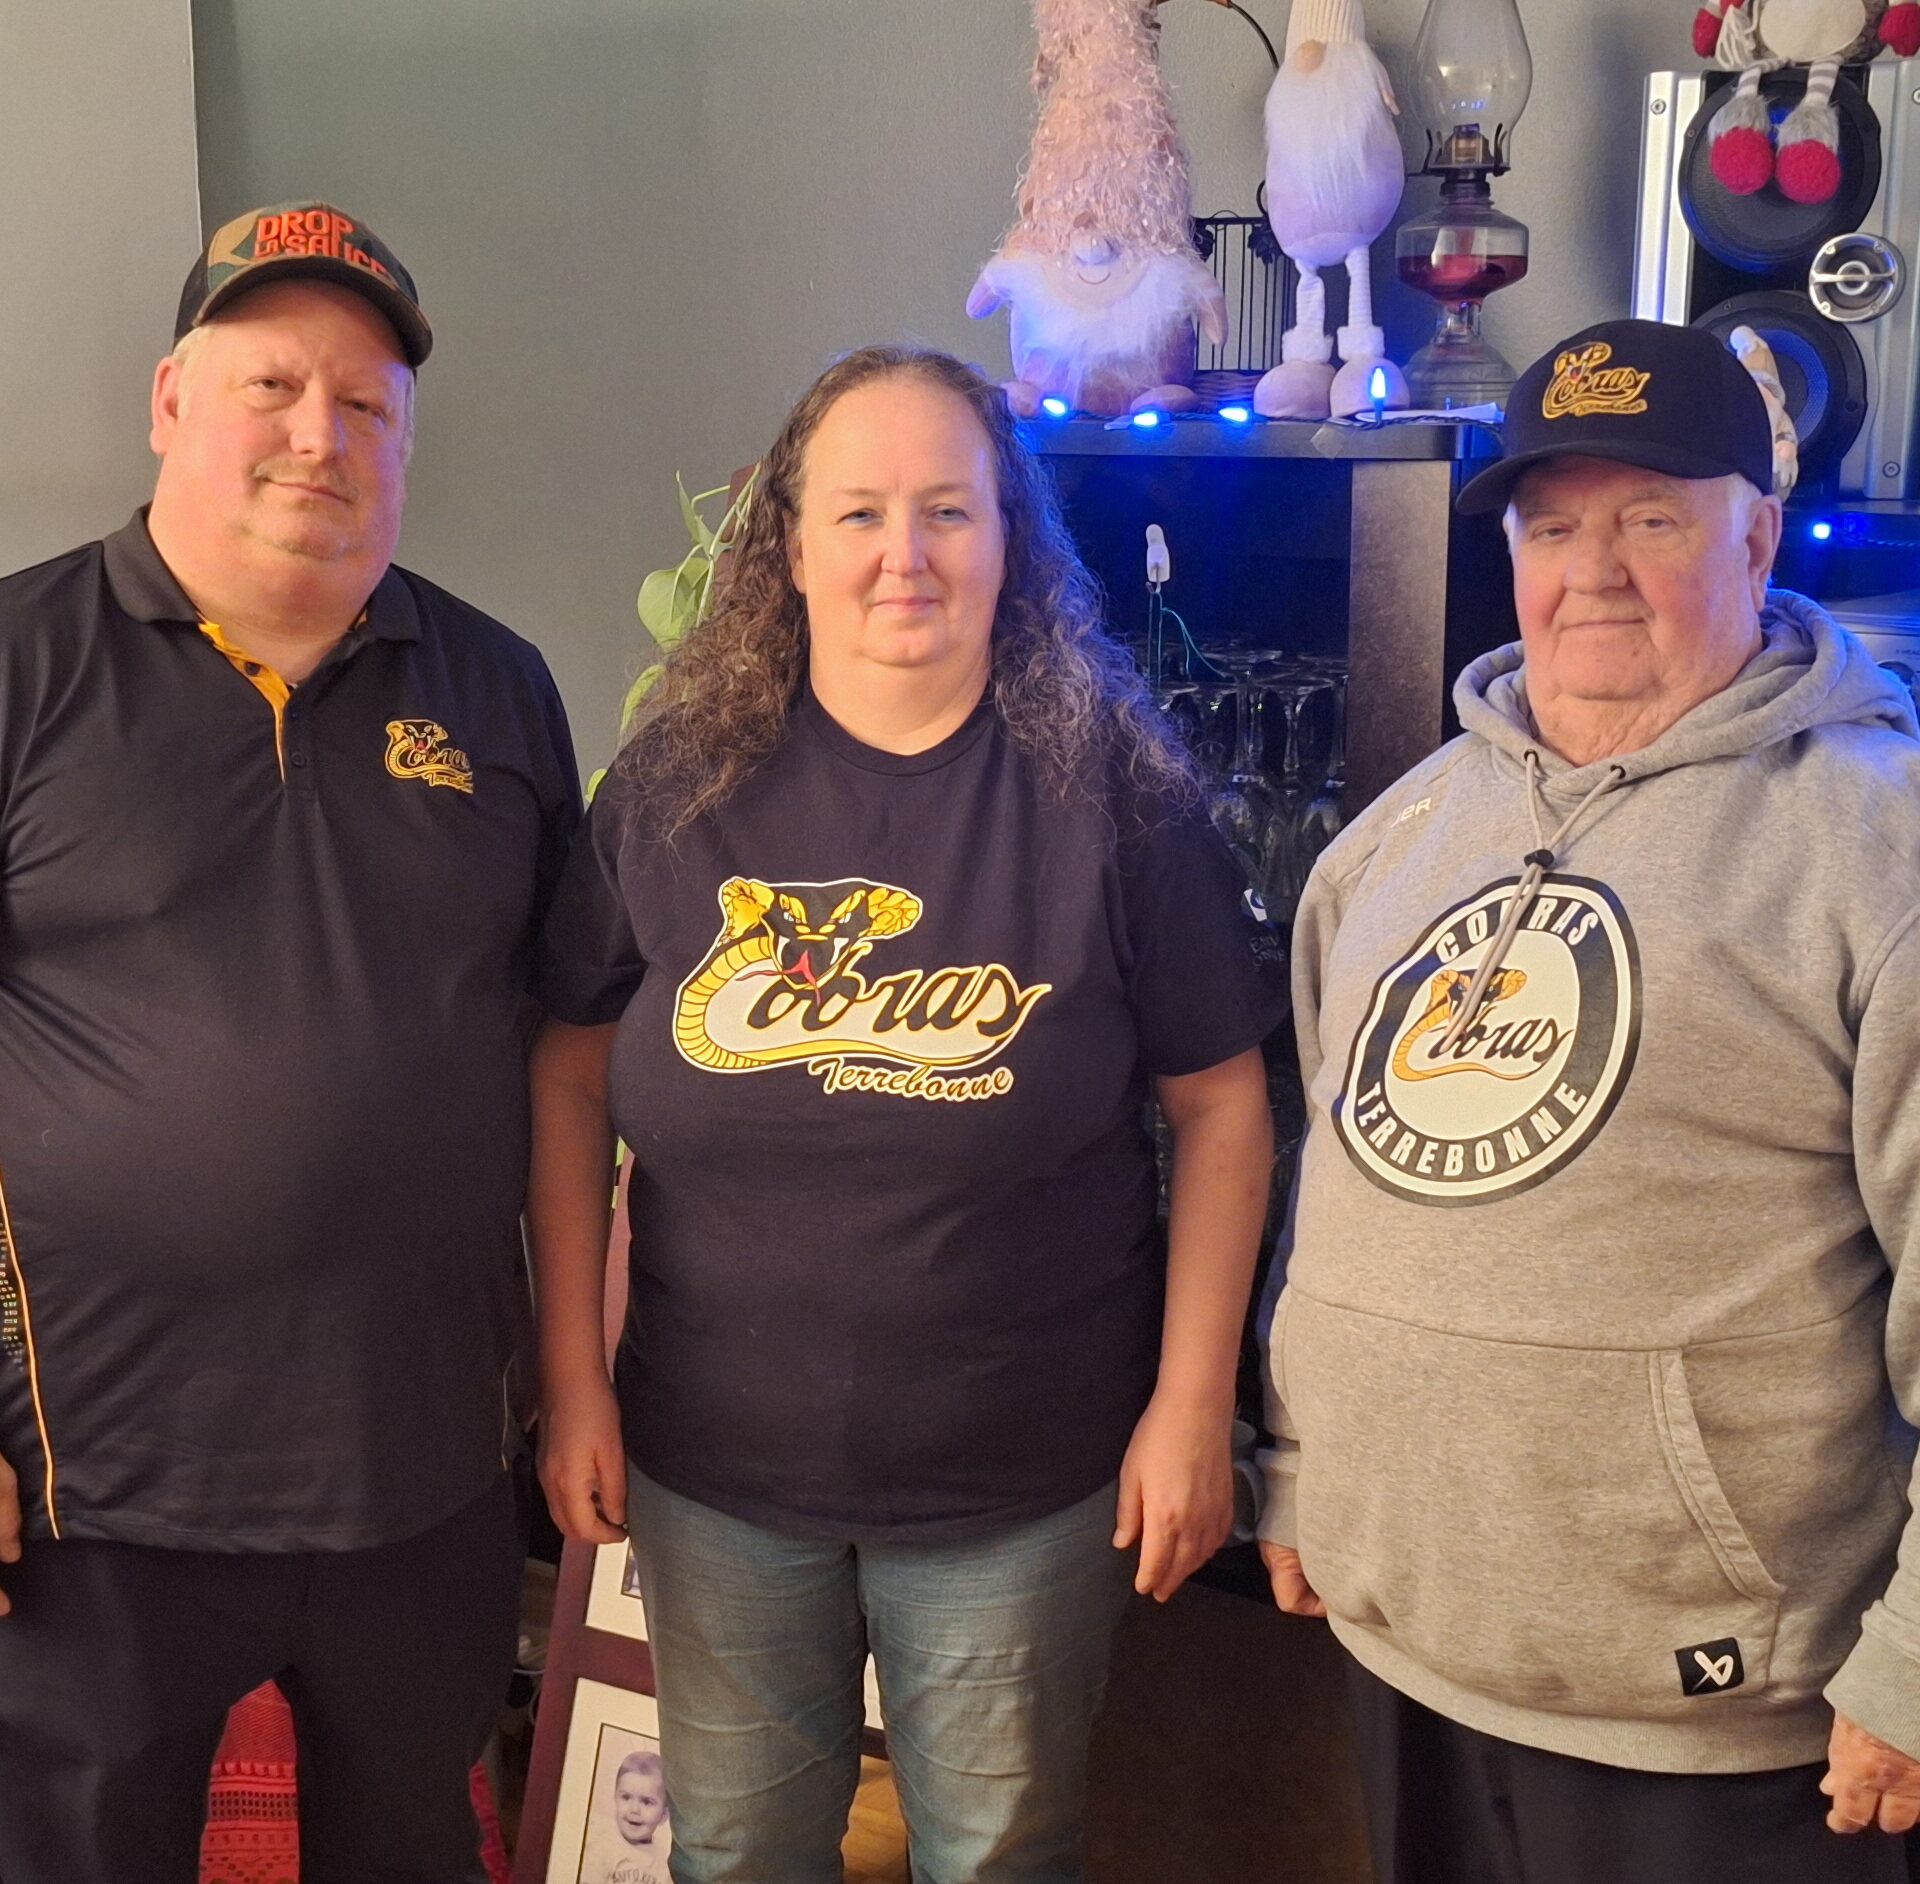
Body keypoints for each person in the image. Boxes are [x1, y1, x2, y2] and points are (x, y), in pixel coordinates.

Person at [531, 344, 1286, 1884]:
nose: (905, 554)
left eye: (948, 510)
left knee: (999, 1857)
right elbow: (565, 1069)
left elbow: (1223, 1107)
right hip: (712, 1466)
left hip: (1024, 1477)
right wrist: (574, 1378)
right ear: (790, 547)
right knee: (737, 1852)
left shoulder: (1118, 798)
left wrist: (1192, 1404)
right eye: (860, 513)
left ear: (1011, 539)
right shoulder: (677, 783)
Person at [1258, 316, 1920, 1883]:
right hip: (1408, 1649)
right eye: (1552, 529)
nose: (1595, 571)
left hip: (1731, 1717)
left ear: (1758, 537)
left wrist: (1912, 1664)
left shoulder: (1876, 851)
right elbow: (1329, 1192)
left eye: (1652, 520)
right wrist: (1302, 1474)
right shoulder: (1392, 839)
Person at [0, 202, 582, 1881]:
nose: (319, 435)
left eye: (367, 403)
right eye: (272, 384)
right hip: (93, 1488)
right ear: (171, 399)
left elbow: (565, 1048)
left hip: (425, 1480)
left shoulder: (499, 690)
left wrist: (572, 1385)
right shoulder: (21, 665)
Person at [580, 1748, 671, 1884]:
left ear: (663, 1815)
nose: (634, 1810)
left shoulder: (663, 1860)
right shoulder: (601, 1850)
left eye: (647, 1802)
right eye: (626, 1797)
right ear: (615, 1798)